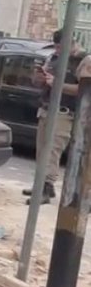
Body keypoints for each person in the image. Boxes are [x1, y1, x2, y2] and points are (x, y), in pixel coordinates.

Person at [23, 29, 90, 204]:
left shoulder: (83, 60)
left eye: (61, 47)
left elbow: (83, 89)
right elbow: (38, 81)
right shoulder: (53, 57)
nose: (58, 50)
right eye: (56, 47)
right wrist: (39, 77)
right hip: (46, 109)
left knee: (52, 150)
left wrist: (58, 84)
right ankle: (40, 185)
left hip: (64, 112)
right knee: (41, 150)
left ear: (71, 42)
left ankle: (47, 188)